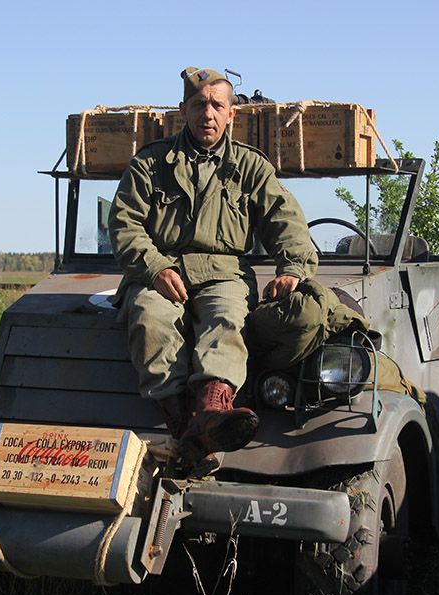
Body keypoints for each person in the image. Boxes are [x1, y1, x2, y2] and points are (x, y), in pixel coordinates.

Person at [108, 67, 317, 466]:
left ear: (231, 113)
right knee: (149, 318)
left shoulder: (250, 166)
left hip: (225, 272)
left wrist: (291, 268)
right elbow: (124, 223)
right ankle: (182, 425)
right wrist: (153, 267)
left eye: (217, 106)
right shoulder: (151, 163)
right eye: (199, 104)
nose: (208, 114)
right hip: (162, 267)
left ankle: (211, 409)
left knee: (228, 318)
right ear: (182, 109)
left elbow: (284, 221)